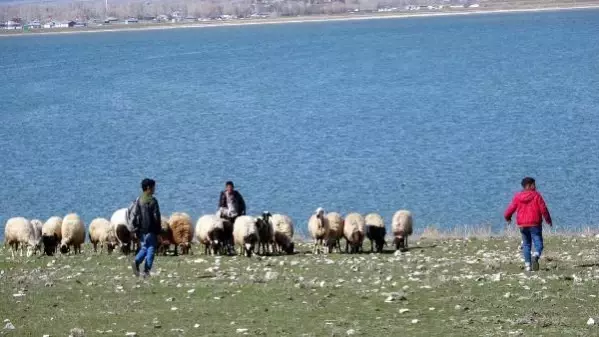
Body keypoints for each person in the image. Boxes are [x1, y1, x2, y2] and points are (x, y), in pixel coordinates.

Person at [504, 177, 552, 272]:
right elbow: (543, 209)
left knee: (526, 244)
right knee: (539, 243)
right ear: (528, 186)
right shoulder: (536, 196)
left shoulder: (518, 196)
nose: (535, 187)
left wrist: (507, 217)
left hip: (522, 225)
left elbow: (510, 209)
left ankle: (527, 266)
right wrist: (548, 220)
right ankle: (536, 255)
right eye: (534, 185)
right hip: (535, 224)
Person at [131, 178, 161, 277]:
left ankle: (136, 261)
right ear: (148, 188)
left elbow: (134, 215)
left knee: (144, 247)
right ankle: (146, 270)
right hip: (151, 229)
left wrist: (134, 229)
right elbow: (156, 217)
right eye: (153, 187)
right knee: (151, 248)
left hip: (141, 230)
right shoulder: (153, 201)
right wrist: (158, 231)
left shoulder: (139, 200)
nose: (154, 189)